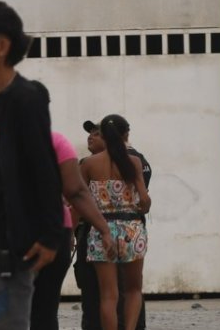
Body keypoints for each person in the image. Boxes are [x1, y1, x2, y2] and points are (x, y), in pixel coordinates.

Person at [0, 1, 66, 330]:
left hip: (8, 250)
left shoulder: (26, 99)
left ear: (1, 47)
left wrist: (50, 237)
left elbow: (45, 170)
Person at [31, 132, 113, 330]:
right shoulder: (56, 141)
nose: (91, 137)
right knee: (45, 310)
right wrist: (103, 229)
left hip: (11, 232)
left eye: (97, 134)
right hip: (55, 231)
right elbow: (75, 192)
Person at [75, 121, 152, 330]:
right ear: (126, 135)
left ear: (105, 136)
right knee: (133, 290)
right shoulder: (134, 162)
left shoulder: (88, 164)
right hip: (131, 230)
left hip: (102, 231)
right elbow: (144, 201)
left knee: (108, 296)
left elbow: (78, 199)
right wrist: (137, 206)